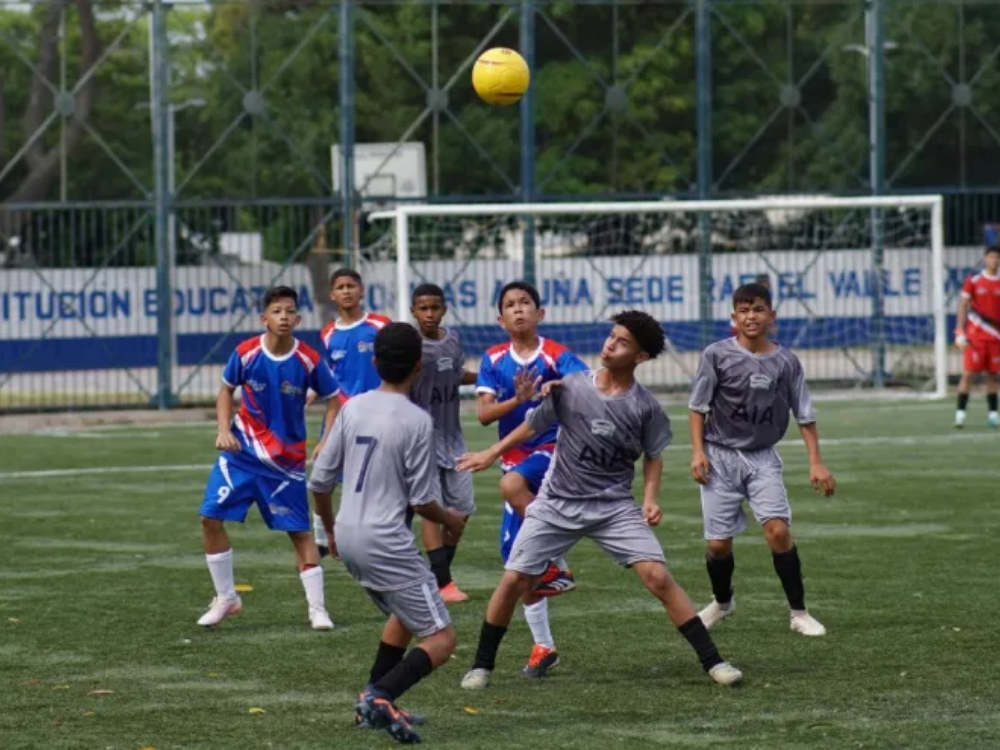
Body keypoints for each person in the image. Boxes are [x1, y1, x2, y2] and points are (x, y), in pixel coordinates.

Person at [457, 311, 743, 690]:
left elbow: (654, 455)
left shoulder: (645, 407)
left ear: (640, 357)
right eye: (611, 336)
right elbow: (532, 426)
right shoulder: (572, 387)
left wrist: (650, 498)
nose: (610, 344)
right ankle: (481, 666)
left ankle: (714, 662)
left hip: (613, 507)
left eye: (622, 342)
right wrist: (491, 453)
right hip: (557, 502)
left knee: (658, 577)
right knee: (513, 579)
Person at [309, 322, 466, 745]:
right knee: (441, 637)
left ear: (374, 361)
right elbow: (421, 501)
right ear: (419, 366)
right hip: (386, 541)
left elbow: (319, 482)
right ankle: (382, 695)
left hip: (349, 534)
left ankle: (369, 701)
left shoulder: (353, 407)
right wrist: (450, 518)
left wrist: (330, 531)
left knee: (403, 614)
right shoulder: (417, 421)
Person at [689, 282, 835, 637]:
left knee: (778, 531)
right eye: (743, 310)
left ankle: (799, 613)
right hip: (719, 458)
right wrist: (697, 452)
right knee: (718, 544)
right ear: (733, 317)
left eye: (757, 310)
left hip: (762, 458)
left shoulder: (786, 362)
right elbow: (697, 407)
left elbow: (804, 414)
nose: (750, 317)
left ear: (772, 316)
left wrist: (816, 461)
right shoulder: (715, 355)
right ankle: (723, 603)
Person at [197, 285, 340, 630]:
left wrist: (325, 438)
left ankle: (317, 609)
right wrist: (223, 429)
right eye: (277, 311)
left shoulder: (307, 359)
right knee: (209, 518)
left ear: (298, 318)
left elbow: (335, 398)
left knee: (300, 533)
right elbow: (225, 391)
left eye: (290, 311)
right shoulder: (246, 353)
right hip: (241, 454)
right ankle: (227, 597)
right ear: (264, 318)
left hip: (285, 463)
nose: (284, 317)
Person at [475, 280, 589, 678]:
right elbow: (485, 415)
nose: (518, 309)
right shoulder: (492, 359)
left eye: (526, 303)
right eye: (510, 304)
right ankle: (544, 646)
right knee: (517, 565)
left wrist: (564, 386)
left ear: (540, 314)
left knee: (510, 486)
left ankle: (558, 562)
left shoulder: (557, 355)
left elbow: (586, 382)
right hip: (514, 457)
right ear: (499, 318)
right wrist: (520, 401)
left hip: (553, 453)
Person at [313, 267, 392, 554]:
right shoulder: (328, 333)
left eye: (351, 286)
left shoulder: (381, 326)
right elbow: (329, 375)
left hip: (376, 416)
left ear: (362, 291)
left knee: (371, 480)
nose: (346, 291)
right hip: (339, 416)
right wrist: (311, 394)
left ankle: (374, 536)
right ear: (333, 295)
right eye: (340, 287)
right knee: (324, 475)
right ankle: (321, 537)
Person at [409, 283, 478, 603]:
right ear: (413, 312)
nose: (429, 314)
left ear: (444, 309)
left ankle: (434, 578)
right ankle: (443, 582)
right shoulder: (411, 347)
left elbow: (456, 372)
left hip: (454, 439)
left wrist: (485, 377)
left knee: (462, 511)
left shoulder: (452, 341)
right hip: (422, 441)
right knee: (431, 511)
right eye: (423, 309)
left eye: (434, 308)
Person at [954, 245, 1000, 429]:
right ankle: (960, 416)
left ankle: (993, 416)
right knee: (968, 375)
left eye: (997, 257)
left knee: (993, 376)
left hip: (996, 339)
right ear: (984, 259)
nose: (994, 261)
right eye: (991, 257)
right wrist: (959, 331)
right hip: (976, 338)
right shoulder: (973, 281)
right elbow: (963, 305)